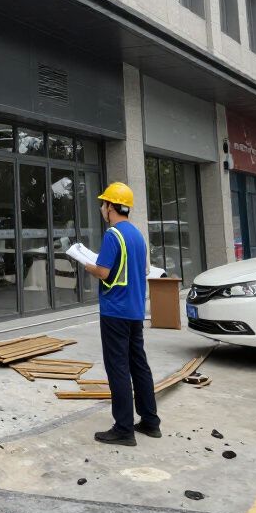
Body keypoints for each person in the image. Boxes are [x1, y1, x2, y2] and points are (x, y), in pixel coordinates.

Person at [82, 182, 161, 447]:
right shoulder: (137, 235)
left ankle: (124, 428)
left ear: (112, 207)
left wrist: (87, 265)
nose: (103, 209)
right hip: (134, 311)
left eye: (104, 204)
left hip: (115, 310)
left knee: (118, 368)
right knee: (139, 365)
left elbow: (104, 271)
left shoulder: (113, 235)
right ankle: (150, 422)